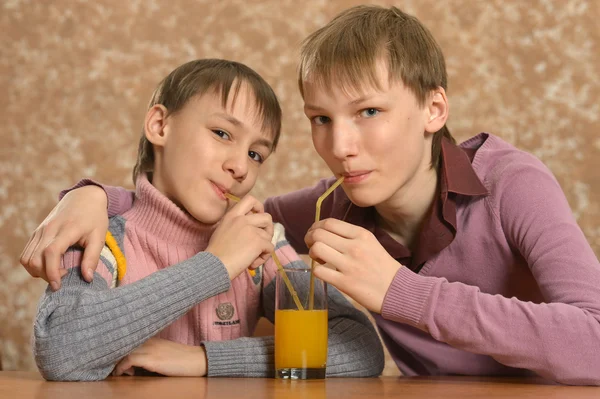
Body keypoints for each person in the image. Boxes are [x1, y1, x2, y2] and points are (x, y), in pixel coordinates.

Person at [22, 5, 600, 385]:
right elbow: (202, 212)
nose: (340, 146)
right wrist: (90, 194)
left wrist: (401, 292)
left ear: (434, 108)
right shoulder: (330, 209)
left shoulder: (512, 184)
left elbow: (594, 343)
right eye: (320, 118)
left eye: (368, 112)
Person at [29, 58, 384, 381]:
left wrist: (204, 359)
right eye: (222, 133)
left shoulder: (261, 246)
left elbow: (361, 349)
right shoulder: (101, 232)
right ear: (160, 125)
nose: (240, 167)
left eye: (255, 154)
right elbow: (62, 353)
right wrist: (216, 264)